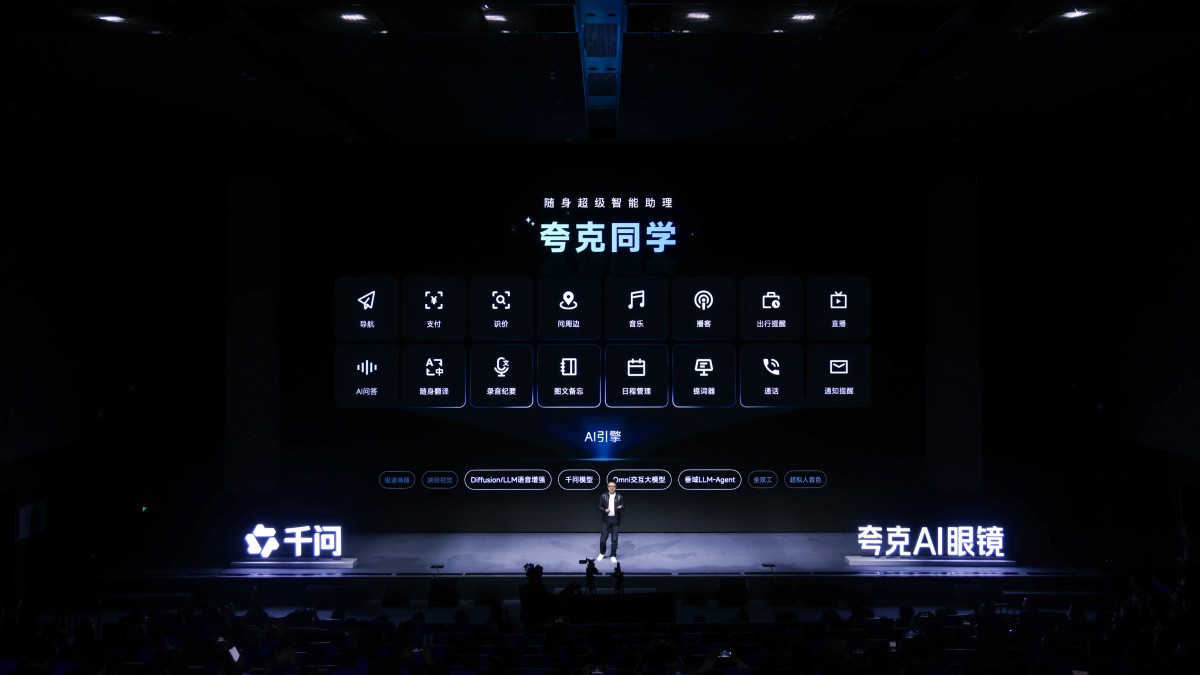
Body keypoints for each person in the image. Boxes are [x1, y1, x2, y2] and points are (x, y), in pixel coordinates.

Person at [597, 480, 623, 563]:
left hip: (615, 519)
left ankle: (613, 555)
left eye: (613, 486)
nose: (612, 487)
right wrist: (604, 510)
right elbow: (599, 506)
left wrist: (621, 507)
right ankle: (602, 553)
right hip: (606, 519)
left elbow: (623, 505)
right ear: (608, 487)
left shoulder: (619, 496)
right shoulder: (603, 496)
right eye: (610, 486)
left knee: (614, 539)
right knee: (603, 538)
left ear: (615, 487)